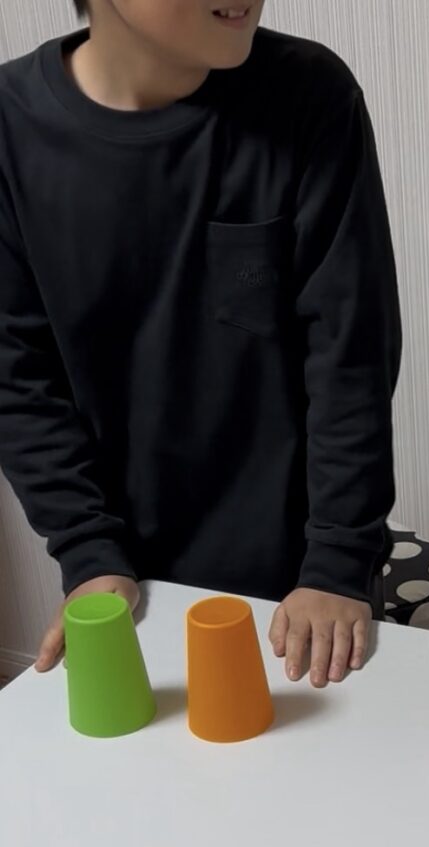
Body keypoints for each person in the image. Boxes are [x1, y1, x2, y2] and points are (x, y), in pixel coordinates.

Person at [0, 0, 400, 688]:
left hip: (307, 586)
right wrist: (88, 552)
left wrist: (338, 561)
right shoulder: (12, 128)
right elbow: (16, 379)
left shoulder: (310, 94)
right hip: (132, 588)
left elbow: (351, 354)